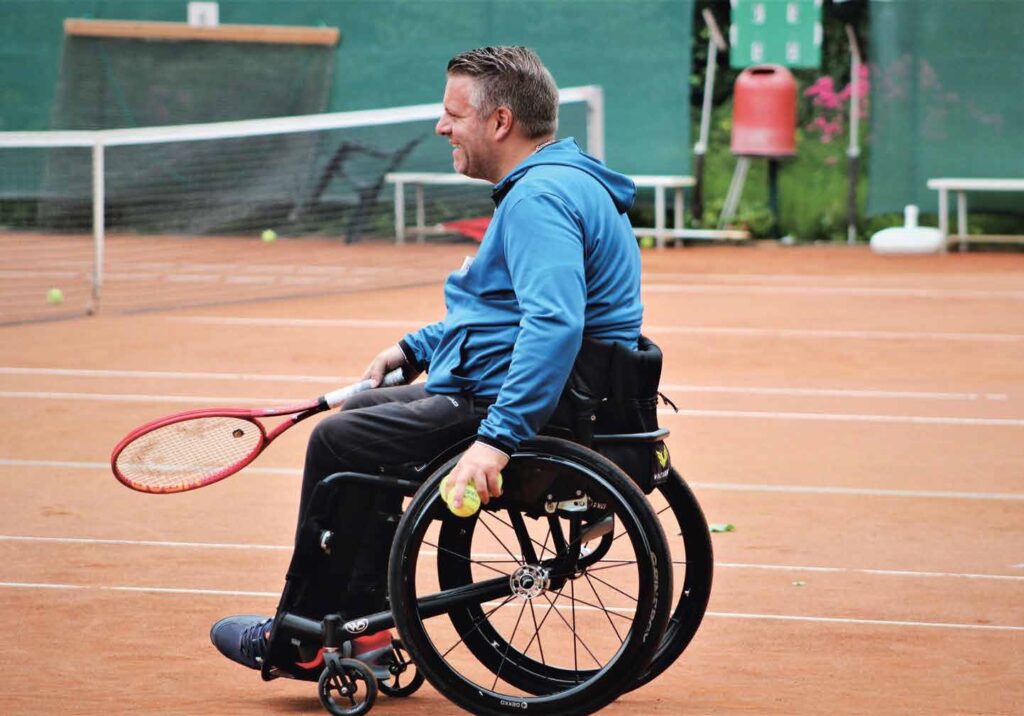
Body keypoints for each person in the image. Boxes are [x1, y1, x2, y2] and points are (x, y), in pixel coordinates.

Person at [209, 45, 643, 680]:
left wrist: (497, 441)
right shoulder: (562, 179)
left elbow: (554, 323)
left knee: (340, 439)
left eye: (452, 114)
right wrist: (416, 347)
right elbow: (501, 313)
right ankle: (364, 624)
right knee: (364, 412)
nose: (441, 127)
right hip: (558, 392)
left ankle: (307, 637)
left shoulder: (537, 201)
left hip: (522, 406)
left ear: (499, 121)